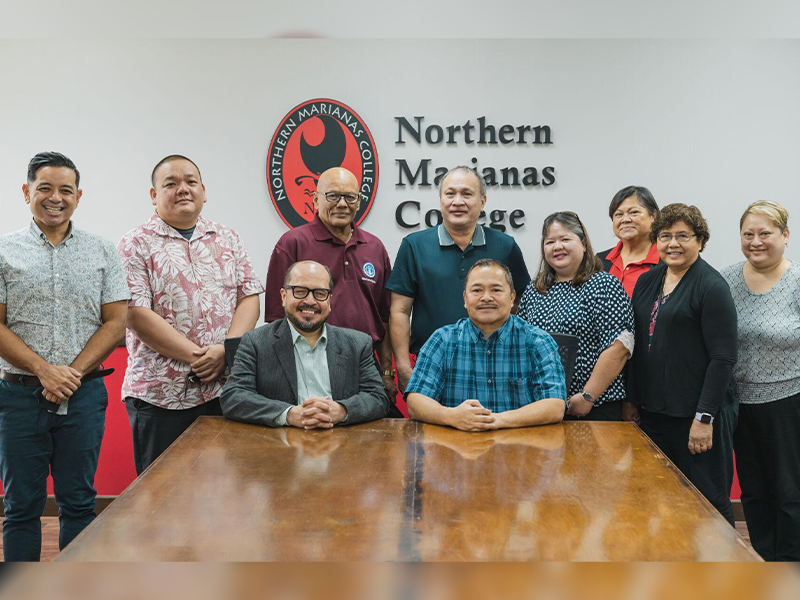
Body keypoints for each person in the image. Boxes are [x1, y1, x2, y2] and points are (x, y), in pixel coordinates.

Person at [0, 152, 130, 561]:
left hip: (84, 397)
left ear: (78, 197)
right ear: (26, 192)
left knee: (78, 504)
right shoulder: (4, 250)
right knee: (20, 507)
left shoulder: (103, 251)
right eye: (44, 188)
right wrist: (43, 372)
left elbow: (116, 321)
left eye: (65, 190)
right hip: (18, 398)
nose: (55, 198)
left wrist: (69, 374)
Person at [118, 155, 264, 475]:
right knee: (162, 496)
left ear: (204, 191)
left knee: (226, 489)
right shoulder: (135, 244)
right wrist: (200, 357)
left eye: (190, 181)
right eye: (171, 183)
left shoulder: (227, 238)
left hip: (226, 389)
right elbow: (136, 312)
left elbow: (249, 297)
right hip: (161, 396)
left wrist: (226, 351)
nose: (183, 188)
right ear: (154, 195)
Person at [628, 203, 738, 525]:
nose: (672, 243)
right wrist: (633, 401)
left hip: (697, 417)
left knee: (709, 503)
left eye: (683, 236)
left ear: (700, 240)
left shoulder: (712, 286)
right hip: (654, 414)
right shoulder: (649, 280)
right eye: (665, 236)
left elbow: (723, 358)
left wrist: (704, 418)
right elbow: (638, 342)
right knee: (661, 499)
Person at [263, 167, 398, 408]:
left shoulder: (375, 247)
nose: (342, 204)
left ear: (359, 202)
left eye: (350, 197)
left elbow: (384, 317)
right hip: (308, 366)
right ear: (316, 199)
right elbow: (276, 318)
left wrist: (387, 372)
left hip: (365, 365)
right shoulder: (292, 243)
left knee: (367, 440)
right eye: (333, 196)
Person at [388, 167, 530, 392]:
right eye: (450, 193)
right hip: (428, 365)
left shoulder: (506, 246)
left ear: (482, 201)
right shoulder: (414, 246)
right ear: (440, 199)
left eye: (466, 194)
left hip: (494, 365)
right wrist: (404, 367)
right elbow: (399, 311)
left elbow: (519, 303)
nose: (457, 201)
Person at [220, 261, 391, 427]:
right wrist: (289, 415)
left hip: (342, 443)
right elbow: (234, 397)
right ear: (283, 296)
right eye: (300, 291)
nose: (310, 301)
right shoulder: (255, 342)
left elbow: (377, 398)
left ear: (329, 300)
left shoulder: (358, 344)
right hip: (279, 446)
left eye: (320, 293)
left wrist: (341, 411)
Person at [721, 201, 799, 560]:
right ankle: (765, 561)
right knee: (753, 491)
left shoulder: (797, 282)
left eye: (765, 233)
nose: (756, 241)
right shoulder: (726, 280)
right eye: (748, 234)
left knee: (790, 492)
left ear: (784, 235)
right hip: (740, 404)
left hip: (790, 402)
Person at [405, 259, 566, 431]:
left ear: (512, 298)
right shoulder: (442, 340)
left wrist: (493, 421)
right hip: (455, 449)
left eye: (496, 290)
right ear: (465, 298)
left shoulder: (538, 341)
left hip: (520, 449)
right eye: (477, 290)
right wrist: (452, 417)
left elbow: (555, 406)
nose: (487, 297)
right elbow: (415, 401)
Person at [517, 212, 635, 422]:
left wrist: (588, 396)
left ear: (582, 243)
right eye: (550, 241)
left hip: (594, 408)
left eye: (565, 239)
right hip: (542, 407)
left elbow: (619, 346)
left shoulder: (604, 285)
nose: (557, 247)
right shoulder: (535, 290)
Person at [596, 185, 661, 297]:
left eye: (634, 212)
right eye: (619, 214)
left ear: (653, 216)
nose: (625, 220)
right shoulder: (599, 261)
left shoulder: (666, 262)